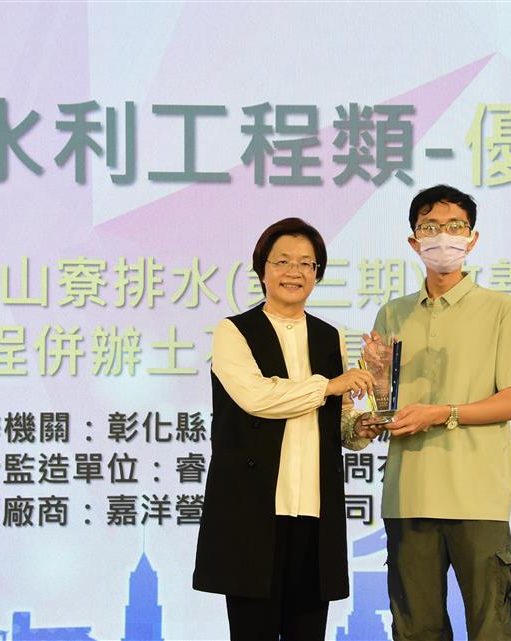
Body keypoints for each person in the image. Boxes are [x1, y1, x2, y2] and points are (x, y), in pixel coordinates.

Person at [355, 185, 511, 641]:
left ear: (472, 239)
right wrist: (372, 412)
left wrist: (442, 413)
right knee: (415, 630)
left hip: (477, 497)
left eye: (454, 226)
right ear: (414, 241)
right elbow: (387, 404)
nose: (443, 236)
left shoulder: (500, 309)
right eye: (430, 227)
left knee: (489, 630)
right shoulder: (392, 314)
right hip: (408, 495)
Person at [193, 217, 375, 641]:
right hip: (254, 515)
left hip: (314, 511)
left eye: (306, 263)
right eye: (283, 261)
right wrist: (329, 386)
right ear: (262, 269)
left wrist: (361, 428)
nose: (295, 272)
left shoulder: (329, 336)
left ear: (317, 274)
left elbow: (338, 419)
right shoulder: (233, 331)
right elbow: (258, 398)